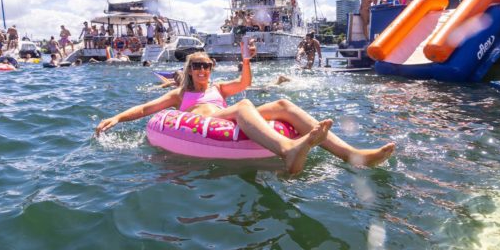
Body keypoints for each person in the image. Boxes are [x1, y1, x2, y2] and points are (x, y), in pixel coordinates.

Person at [96, 43, 395, 175]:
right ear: (190, 70)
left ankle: (353, 155)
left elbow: (245, 81)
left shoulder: (220, 88)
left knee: (283, 104)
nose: (203, 70)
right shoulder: (181, 94)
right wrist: (117, 117)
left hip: (225, 114)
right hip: (206, 120)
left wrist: (246, 59)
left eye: (207, 66)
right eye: (198, 66)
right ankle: (288, 150)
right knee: (244, 106)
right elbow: (148, 107)